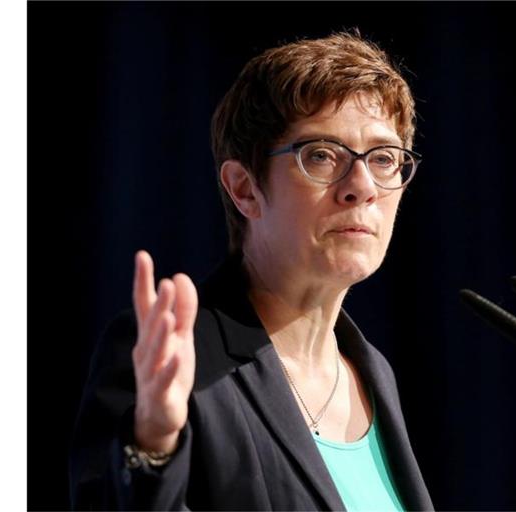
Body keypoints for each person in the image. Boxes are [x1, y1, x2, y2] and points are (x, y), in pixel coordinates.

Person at [69, 31, 433, 511]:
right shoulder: (175, 357)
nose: (362, 186)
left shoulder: (372, 372)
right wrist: (153, 445)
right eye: (322, 155)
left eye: (384, 159)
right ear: (244, 189)